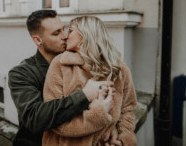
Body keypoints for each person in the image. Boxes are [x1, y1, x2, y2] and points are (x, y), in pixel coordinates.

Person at [8, 10, 114, 146]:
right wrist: (85, 95)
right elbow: (34, 118)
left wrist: (111, 128)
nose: (65, 36)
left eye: (64, 29)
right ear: (38, 40)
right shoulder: (21, 73)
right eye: (56, 33)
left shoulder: (77, 60)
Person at [42, 16, 137, 146]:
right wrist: (98, 115)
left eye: (70, 31)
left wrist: (122, 139)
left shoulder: (119, 70)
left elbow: (127, 110)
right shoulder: (60, 64)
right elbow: (53, 119)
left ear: (86, 34)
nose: (65, 36)